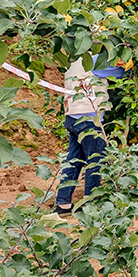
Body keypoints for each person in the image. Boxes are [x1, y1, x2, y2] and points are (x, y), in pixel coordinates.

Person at [54, 57, 117, 215]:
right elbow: (121, 71)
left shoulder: (73, 58)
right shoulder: (95, 60)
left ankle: (63, 203)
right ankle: (92, 204)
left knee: (73, 160)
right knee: (95, 161)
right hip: (90, 120)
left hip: (72, 117)